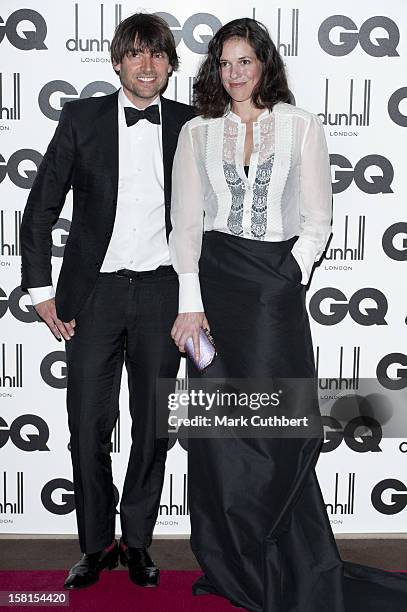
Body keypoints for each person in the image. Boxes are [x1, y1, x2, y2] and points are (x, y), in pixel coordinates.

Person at [169, 17, 407, 612]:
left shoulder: (300, 125)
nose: (234, 74)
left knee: (280, 428)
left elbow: (318, 218)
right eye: (223, 63)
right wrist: (190, 301)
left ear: (264, 63)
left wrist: (286, 278)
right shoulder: (197, 132)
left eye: (244, 61)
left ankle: (284, 553)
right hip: (213, 289)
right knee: (220, 430)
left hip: (272, 288)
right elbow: (187, 224)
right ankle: (231, 559)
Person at [20, 13, 194, 590]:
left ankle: (139, 542)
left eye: (158, 55)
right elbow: (40, 207)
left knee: (154, 425)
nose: (147, 66)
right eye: (135, 54)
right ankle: (96, 545)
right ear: (117, 61)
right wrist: (42, 291)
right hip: (91, 296)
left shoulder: (193, 126)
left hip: (166, 294)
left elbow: (212, 220)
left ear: (171, 64)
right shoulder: (82, 118)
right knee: (87, 423)